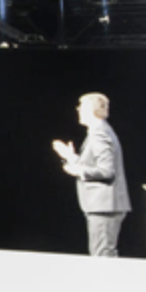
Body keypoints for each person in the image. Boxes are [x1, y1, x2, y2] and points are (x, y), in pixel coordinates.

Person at [53, 91, 130, 257]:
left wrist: (79, 171)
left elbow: (107, 171)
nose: (78, 109)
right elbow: (96, 164)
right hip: (101, 206)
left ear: (92, 110)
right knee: (100, 253)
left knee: (102, 255)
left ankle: (109, 283)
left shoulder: (100, 133)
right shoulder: (98, 132)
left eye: (82, 107)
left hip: (104, 206)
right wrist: (70, 157)